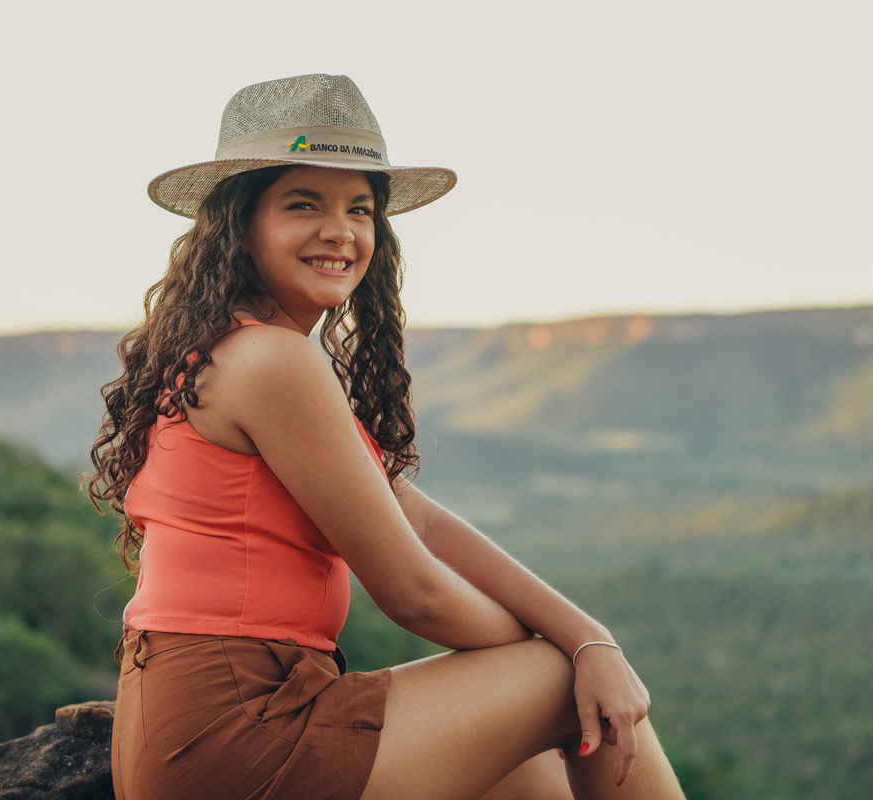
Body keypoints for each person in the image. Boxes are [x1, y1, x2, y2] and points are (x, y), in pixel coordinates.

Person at [89, 74, 685, 800]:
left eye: (359, 209)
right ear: (240, 224)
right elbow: (414, 593)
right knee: (569, 688)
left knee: (531, 755)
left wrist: (586, 632)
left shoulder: (238, 348)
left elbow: (418, 517)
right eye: (303, 204)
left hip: (215, 720)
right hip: (237, 728)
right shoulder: (273, 360)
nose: (339, 230)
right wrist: (559, 652)